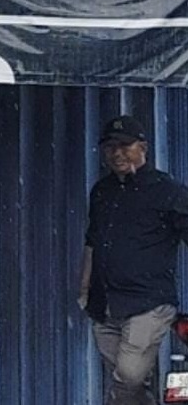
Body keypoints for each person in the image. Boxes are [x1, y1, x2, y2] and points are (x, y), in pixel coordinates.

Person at [80, 115, 188, 405]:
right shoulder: (102, 191)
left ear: (143, 148)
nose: (117, 153)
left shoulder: (168, 191)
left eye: (124, 146)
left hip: (149, 303)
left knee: (127, 376)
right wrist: (84, 289)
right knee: (130, 382)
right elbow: (92, 241)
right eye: (110, 147)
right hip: (105, 304)